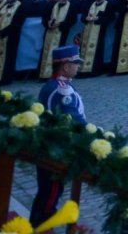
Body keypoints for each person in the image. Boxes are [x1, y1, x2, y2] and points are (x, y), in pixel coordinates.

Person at [32, 45, 86, 227]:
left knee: (46, 191)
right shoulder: (62, 91)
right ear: (65, 66)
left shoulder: (55, 85)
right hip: (56, 149)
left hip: (50, 146)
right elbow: (74, 120)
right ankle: (41, 225)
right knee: (51, 192)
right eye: (75, 63)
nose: (78, 66)